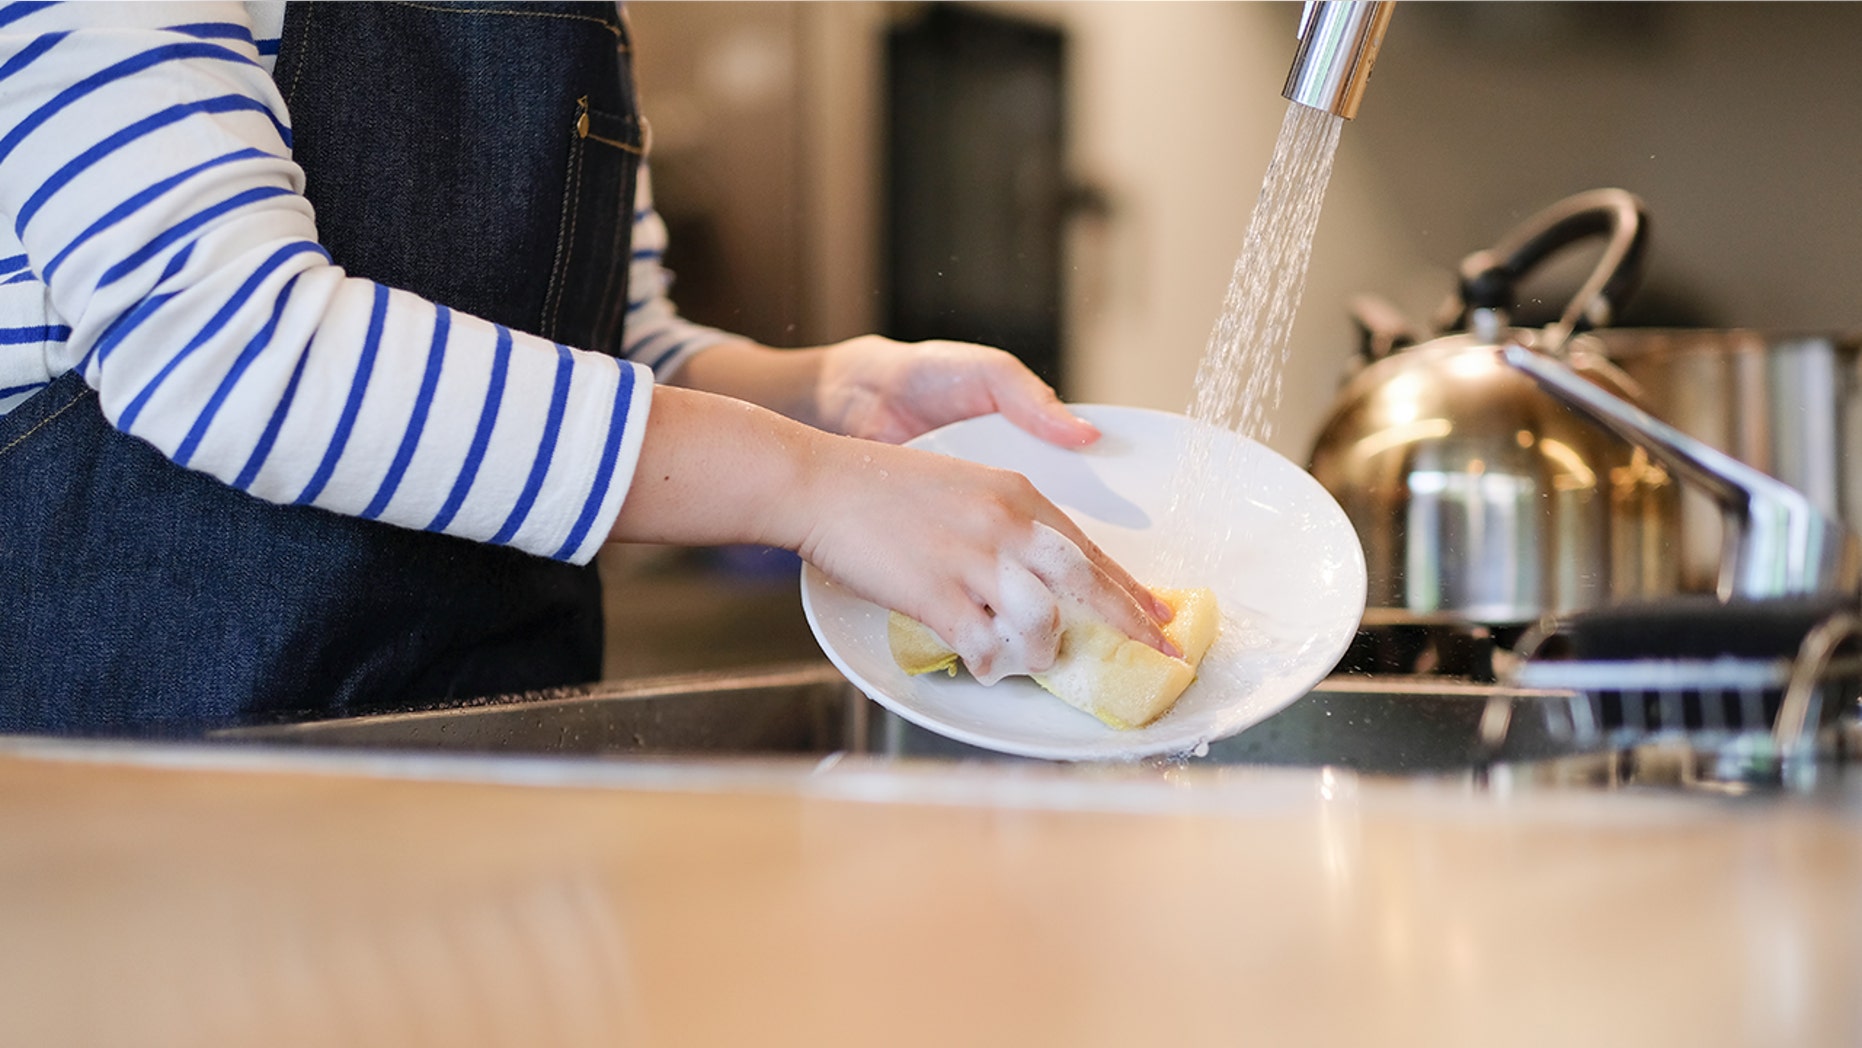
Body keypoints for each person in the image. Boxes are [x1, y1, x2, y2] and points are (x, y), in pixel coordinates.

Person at [0, 1, 1173, 735]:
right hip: (153, 785)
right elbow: (227, 347)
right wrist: (811, 484)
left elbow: (604, 347)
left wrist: (825, 400)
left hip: (497, 756)